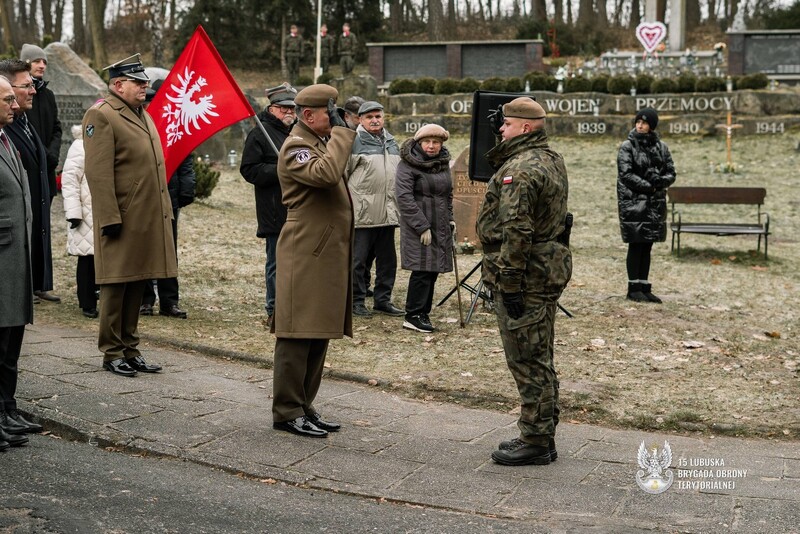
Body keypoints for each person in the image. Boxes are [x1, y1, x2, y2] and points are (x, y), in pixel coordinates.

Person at [476, 97, 572, 466]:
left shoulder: (522, 168)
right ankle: (541, 433)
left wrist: (510, 282)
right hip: (545, 268)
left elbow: (517, 230)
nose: (501, 129)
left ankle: (535, 438)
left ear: (526, 127)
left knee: (527, 358)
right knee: (539, 354)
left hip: (527, 274)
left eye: (507, 124)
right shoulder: (550, 158)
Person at [82, 54, 177, 377]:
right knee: (116, 284)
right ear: (118, 84)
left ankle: (131, 348)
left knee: (138, 280)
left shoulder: (141, 113)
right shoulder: (102, 115)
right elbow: (98, 173)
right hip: (121, 217)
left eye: (144, 81)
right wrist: (109, 217)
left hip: (145, 215)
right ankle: (111, 352)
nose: (144, 86)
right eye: (138, 82)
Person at [272, 84, 356, 438]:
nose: (335, 119)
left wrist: (335, 133)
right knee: (297, 332)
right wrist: (341, 133)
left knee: (318, 330)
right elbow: (325, 175)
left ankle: (304, 404)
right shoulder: (296, 147)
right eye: (330, 112)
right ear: (309, 115)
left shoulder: (318, 143)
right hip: (305, 249)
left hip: (323, 249)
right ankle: (287, 409)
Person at [0, 74, 40, 448]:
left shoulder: (6, 139)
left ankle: (6, 409)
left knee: (12, 339)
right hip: (2, 255)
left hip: (15, 257)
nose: (15, 105)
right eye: (7, 99)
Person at [0, 60, 58, 304]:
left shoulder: (23, 122)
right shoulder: (7, 129)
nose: (34, 90)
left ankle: (37, 283)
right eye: (26, 86)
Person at [240, 82, 297, 327]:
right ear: (271, 108)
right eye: (283, 109)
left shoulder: (297, 133)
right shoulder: (259, 134)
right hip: (274, 209)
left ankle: (294, 306)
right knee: (276, 262)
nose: (289, 113)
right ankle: (274, 309)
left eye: (292, 109)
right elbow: (249, 170)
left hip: (298, 208)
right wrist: (280, 171)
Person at [140, 80, 196, 319]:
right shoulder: (138, 126)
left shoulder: (174, 126)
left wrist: (186, 191)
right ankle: (145, 301)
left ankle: (169, 301)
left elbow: (186, 160)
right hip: (143, 197)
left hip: (169, 197)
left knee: (168, 251)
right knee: (144, 251)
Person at [346, 101, 404, 318]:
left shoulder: (391, 141)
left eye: (378, 116)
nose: (374, 120)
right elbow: (343, 174)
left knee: (388, 262)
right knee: (357, 262)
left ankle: (383, 300)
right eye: (369, 117)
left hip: (387, 213)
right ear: (360, 120)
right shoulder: (353, 142)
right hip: (362, 214)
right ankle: (356, 301)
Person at [395, 123, 454, 333]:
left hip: (440, 225)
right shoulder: (407, 165)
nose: (431, 146)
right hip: (418, 226)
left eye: (436, 142)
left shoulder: (442, 163)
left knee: (433, 270)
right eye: (427, 142)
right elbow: (404, 198)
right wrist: (422, 227)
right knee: (421, 270)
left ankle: (423, 313)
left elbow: (447, 193)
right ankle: (412, 314)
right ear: (419, 143)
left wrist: (451, 218)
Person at [617, 107, 676, 303]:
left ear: (651, 125)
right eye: (638, 122)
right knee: (636, 244)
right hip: (634, 203)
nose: (640, 125)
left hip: (654, 205)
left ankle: (644, 285)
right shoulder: (627, 146)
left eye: (644, 122)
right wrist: (649, 187)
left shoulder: (661, 147)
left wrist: (660, 183)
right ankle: (633, 288)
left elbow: (670, 172)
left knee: (647, 245)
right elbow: (626, 174)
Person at [61, 124, 98, 319]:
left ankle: (100, 295)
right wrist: (74, 212)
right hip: (86, 211)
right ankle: (87, 302)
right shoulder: (80, 145)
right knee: (87, 258)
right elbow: (70, 180)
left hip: (105, 209)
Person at [20, 44, 62, 209]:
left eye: (44, 62)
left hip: (47, 171)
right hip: (29, 169)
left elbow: (56, 128)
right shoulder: (19, 94)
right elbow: (23, 129)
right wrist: (45, 156)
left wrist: (52, 155)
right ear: (26, 63)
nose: (42, 65)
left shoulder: (48, 94)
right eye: (37, 61)